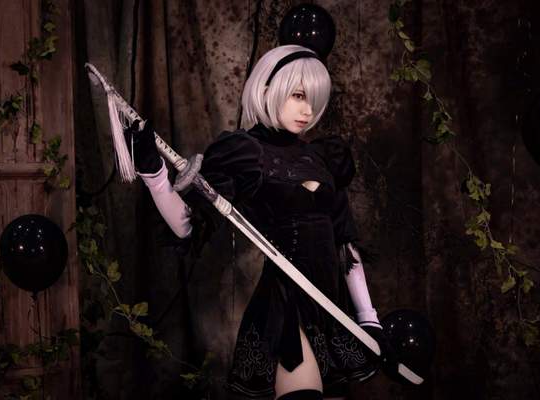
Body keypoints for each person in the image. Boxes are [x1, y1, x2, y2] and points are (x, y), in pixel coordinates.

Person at [125, 45, 395, 400]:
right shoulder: (245, 152)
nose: (307, 110)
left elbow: (344, 243)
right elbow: (186, 225)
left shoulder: (323, 157)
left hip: (331, 311)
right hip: (287, 308)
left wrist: (368, 317)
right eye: (298, 96)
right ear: (268, 89)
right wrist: (154, 174)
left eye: (313, 100)